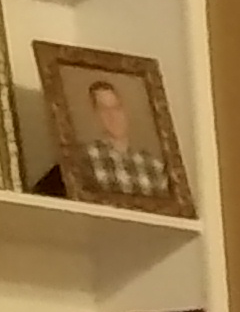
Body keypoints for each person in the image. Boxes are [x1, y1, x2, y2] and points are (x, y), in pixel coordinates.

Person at [71, 74, 184, 211]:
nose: (112, 116)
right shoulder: (84, 158)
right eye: (104, 109)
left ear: (125, 111)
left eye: (116, 108)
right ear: (96, 114)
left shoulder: (154, 167)